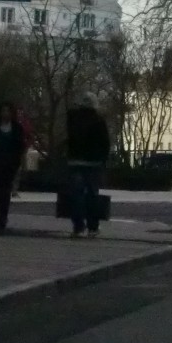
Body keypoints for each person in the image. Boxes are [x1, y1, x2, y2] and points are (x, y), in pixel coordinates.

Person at [65, 92, 110, 238]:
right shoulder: (98, 120)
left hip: (75, 160)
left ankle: (78, 226)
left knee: (76, 194)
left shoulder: (73, 118)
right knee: (92, 195)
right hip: (93, 162)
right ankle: (92, 226)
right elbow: (105, 142)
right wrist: (103, 159)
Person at [0, 102, 27, 233]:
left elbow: (20, 146)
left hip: (9, 165)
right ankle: (0, 217)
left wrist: (17, 162)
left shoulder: (17, 128)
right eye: (3, 111)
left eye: (8, 111)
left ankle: (2, 218)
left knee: (5, 191)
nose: (5, 114)